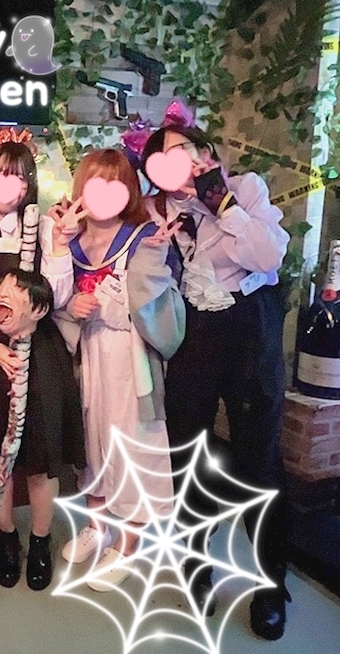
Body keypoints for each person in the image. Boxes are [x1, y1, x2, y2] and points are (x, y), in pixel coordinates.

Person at [141, 122, 291, 639]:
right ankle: (196, 564)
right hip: (196, 331)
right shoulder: (160, 210)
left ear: (206, 152)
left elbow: (269, 256)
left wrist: (220, 202)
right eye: (166, 157)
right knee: (188, 452)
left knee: (259, 458)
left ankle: (271, 584)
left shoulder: (245, 189)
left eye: (187, 149)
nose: (181, 162)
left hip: (250, 325)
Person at [57, 149, 184, 591]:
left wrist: (122, 297)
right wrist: (71, 306)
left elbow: (155, 306)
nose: (104, 195)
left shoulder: (146, 236)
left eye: (115, 184)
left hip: (130, 359)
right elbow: (54, 298)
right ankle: (99, 525)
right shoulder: (71, 237)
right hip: (86, 355)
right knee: (92, 441)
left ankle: (129, 544)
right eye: (95, 184)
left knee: (131, 444)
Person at [0, 141, 85, 591]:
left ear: (28, 184)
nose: (8, 184)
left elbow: (57, 296)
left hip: (43, 356)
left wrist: (60, 246)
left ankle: (38, 541)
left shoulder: (43, 228)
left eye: (18, 175)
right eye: (0, 173)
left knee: (40, 457)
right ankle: (7, 539)